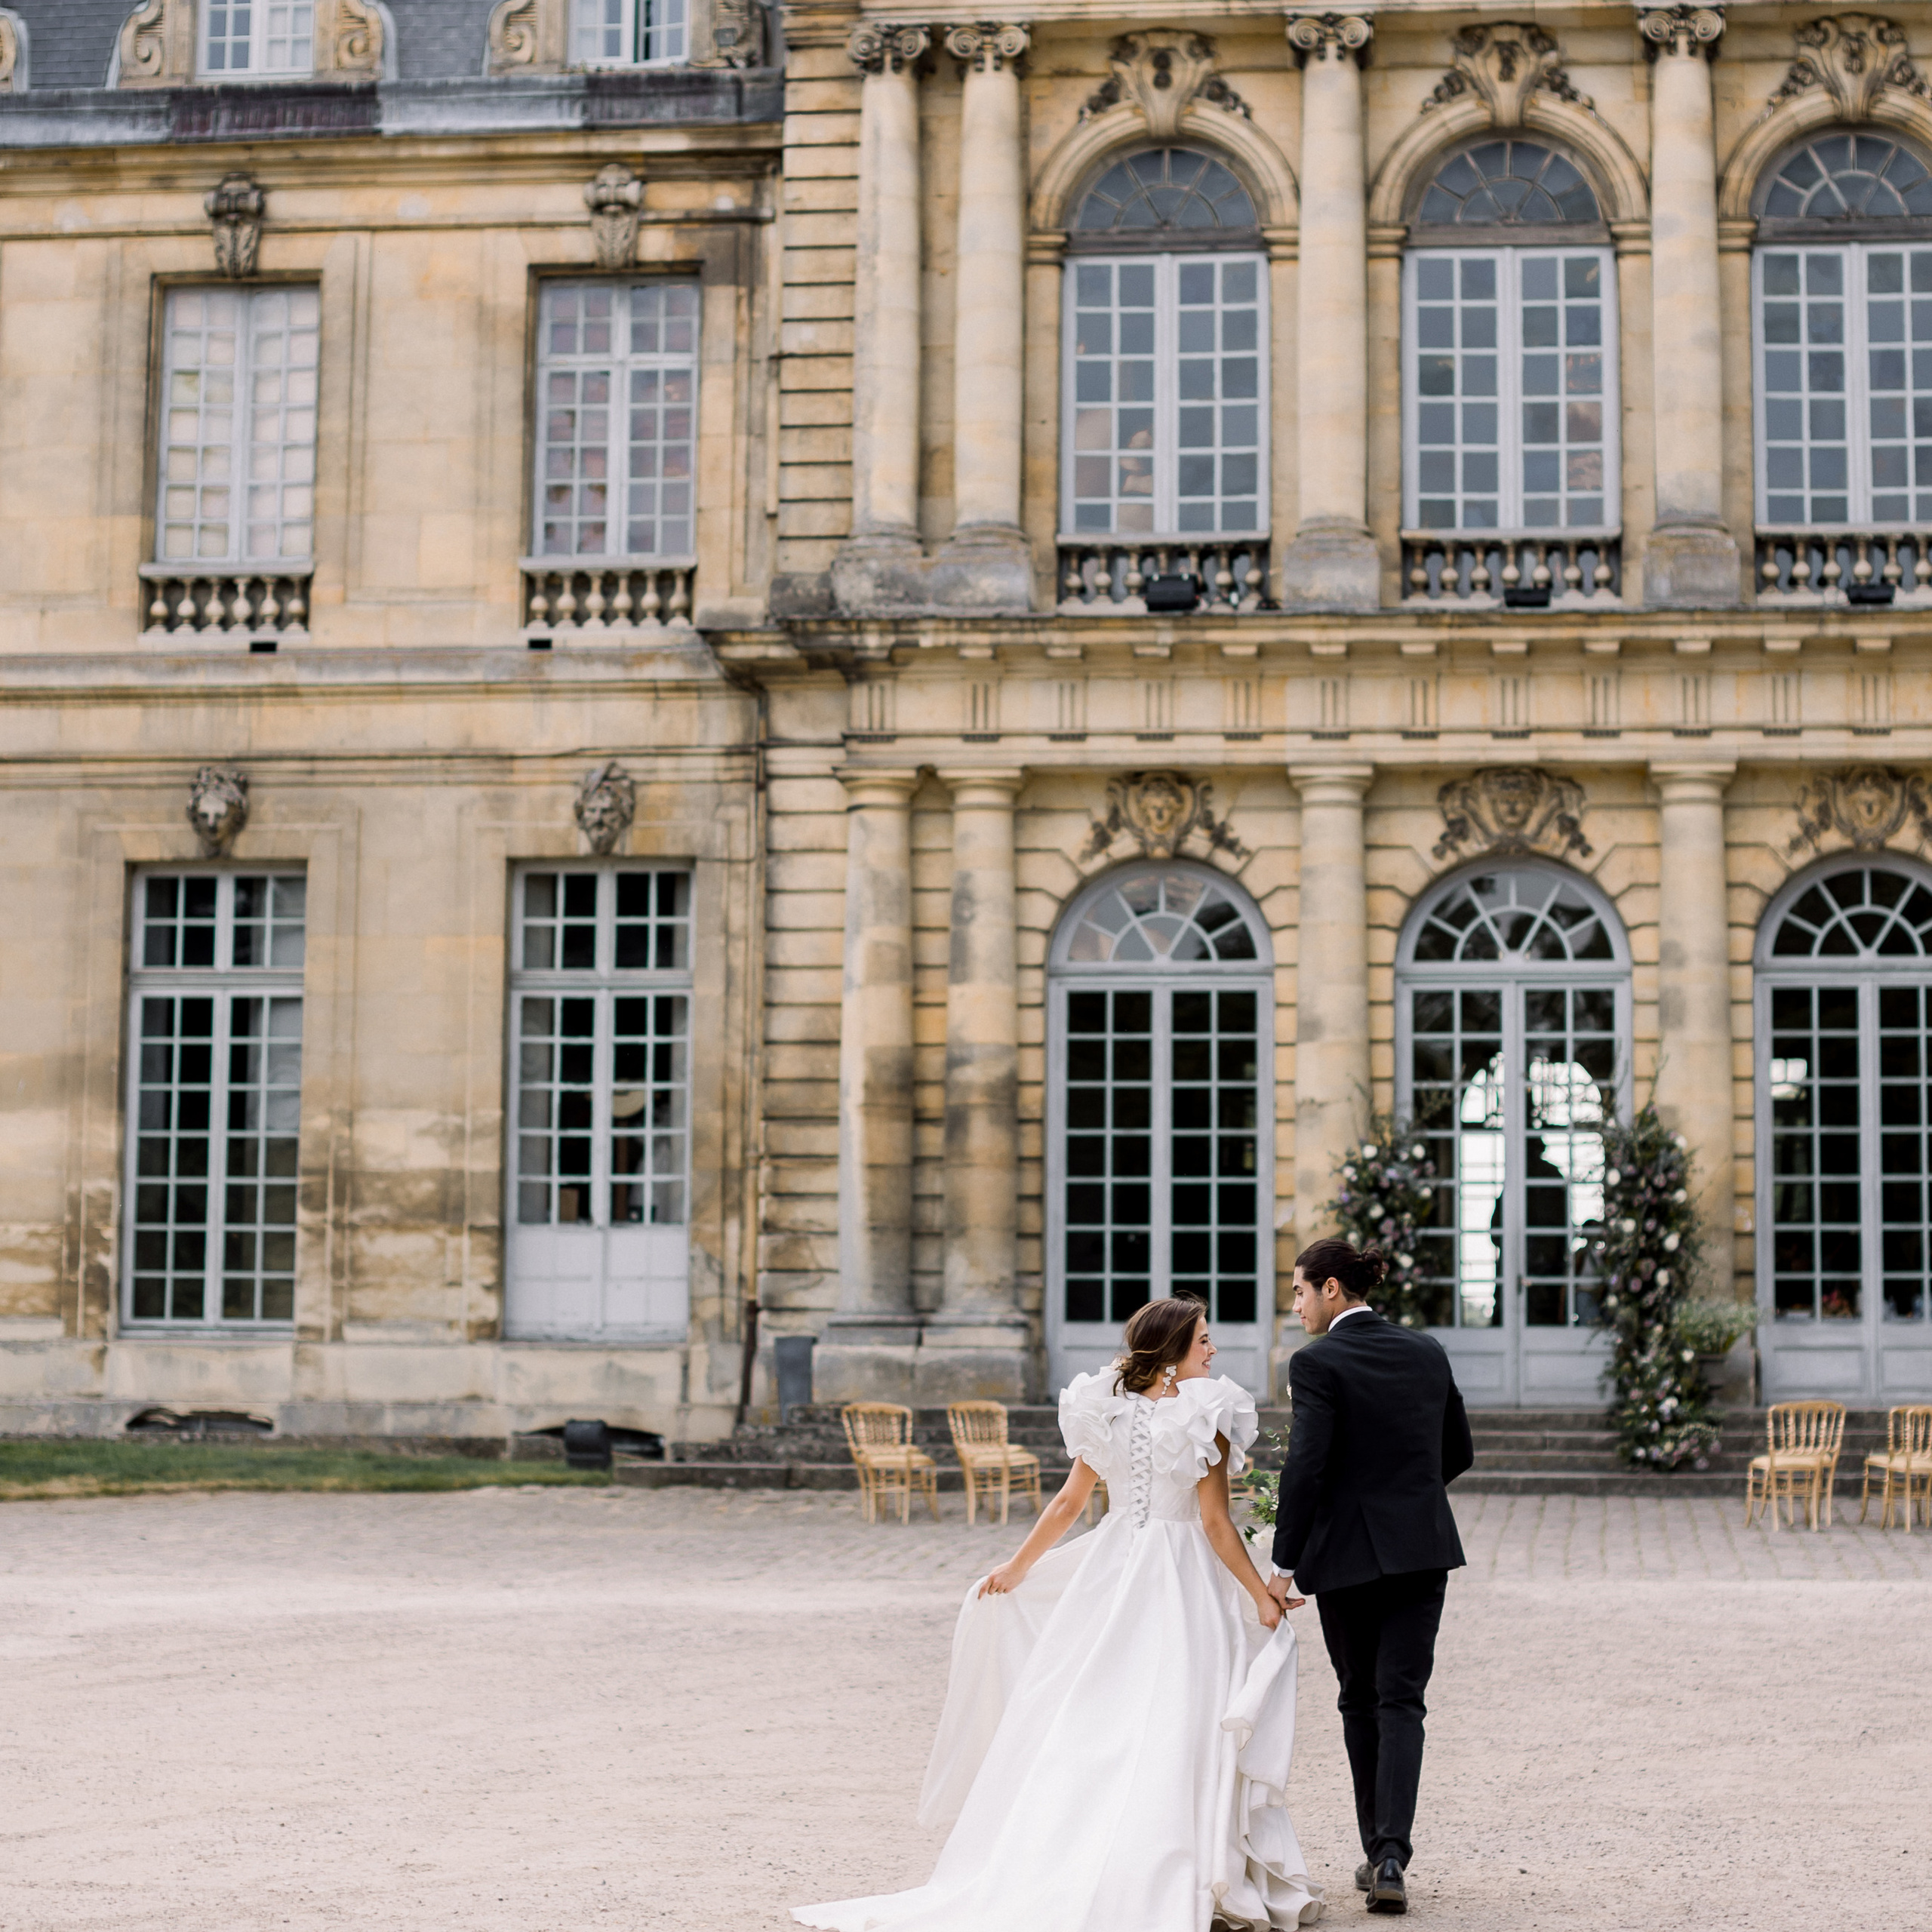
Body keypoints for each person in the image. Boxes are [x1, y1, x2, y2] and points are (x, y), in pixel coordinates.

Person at [794, 1296, 1323, 1932]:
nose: (1213, 1350)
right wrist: (1262, 1593)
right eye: (1203, 1341)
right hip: (1179, 1575)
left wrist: (1019, 1566)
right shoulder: (1204, 1414)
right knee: (1179, 1715)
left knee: (1100, 1716)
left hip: (1115, 1567)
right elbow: (1213, 1523)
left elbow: (1071, 1503)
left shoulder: (1106, 1406)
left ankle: (1089, 1857)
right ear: (1174, 1357)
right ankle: (1171, 1867)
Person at [1267, 1238, 1474, 1918]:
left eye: (1298, 1291)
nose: (1293, 1305)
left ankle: (1379, 1851)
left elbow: (1306, 1467)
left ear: (1331, 1289)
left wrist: (1283, 1562)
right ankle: (1389, 1854)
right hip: (1422, 1549)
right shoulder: (1427, 1351)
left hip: (1347, 1558)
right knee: (1403, 1702)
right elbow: (1459, 1450)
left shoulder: (1317, 1361)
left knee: (1360, 1699)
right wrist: (1407, 1500)